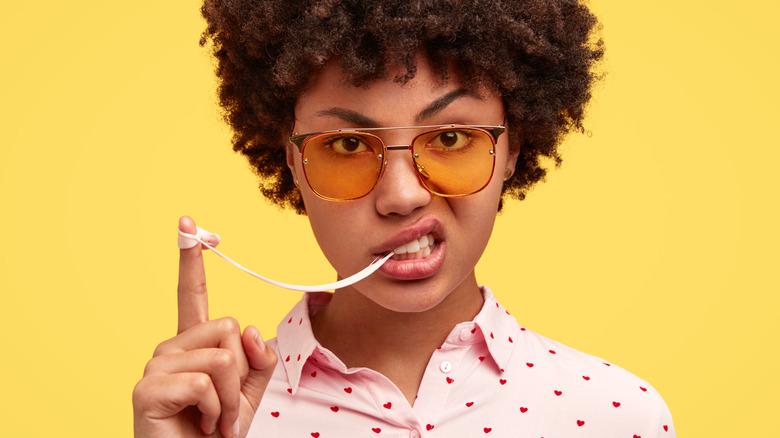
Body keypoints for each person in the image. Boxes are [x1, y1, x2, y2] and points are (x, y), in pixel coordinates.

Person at [133, 0, 676, 436]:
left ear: (514, 147)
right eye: (347, 143)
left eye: (449, 137)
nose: (402, 195)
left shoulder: (620, 416)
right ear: (293, 160)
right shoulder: (216, 419)